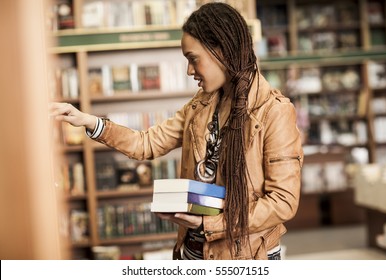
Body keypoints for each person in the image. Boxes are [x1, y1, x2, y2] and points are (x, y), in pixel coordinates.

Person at [51, 2, 303, 260]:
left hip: (245, 255)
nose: (189, 70)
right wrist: (89, 121)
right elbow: (146, 144)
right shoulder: (200, 105)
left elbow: (282, 202)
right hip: (193, 250)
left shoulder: (274, 111)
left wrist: (209, 224)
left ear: (222, 51)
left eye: (193, 59)